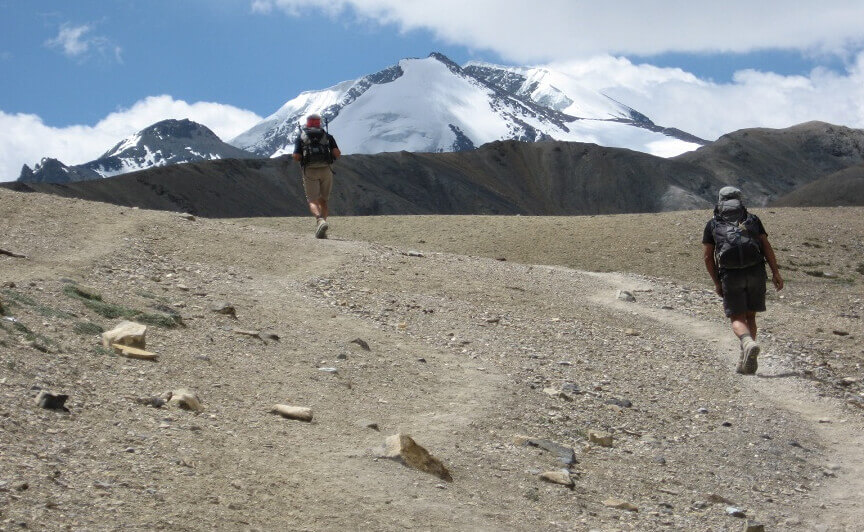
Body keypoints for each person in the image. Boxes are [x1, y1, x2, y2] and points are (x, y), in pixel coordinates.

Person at [702, 186, 784, 375]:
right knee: (751, 316)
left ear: (720, 200)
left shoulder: (713, 224)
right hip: (756, 272)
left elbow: (708, 257)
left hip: (731, 275)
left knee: (737, 317)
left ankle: (747, 344)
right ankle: (744, 358)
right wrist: (776, 273)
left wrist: (717, 282)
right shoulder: (752, 220)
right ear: (740, 200)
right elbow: (766, 246)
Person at [293, 113, 340, 239]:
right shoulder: (327, 136)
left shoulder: (301, 137)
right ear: (319, 123)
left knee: (312, 200)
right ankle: (322, 228)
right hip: (326, 170)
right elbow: (337, 153)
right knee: (323, 200)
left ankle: (320, 221)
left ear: (307, 123)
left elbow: (296, 157)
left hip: (309, 171)